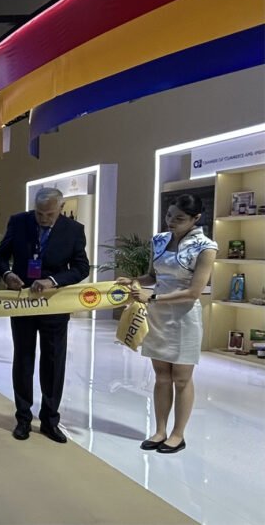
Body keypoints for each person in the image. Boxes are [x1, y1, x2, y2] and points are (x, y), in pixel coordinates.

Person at [116, 194, 217, 454]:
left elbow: (194, 292)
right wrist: (134, 281)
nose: (171, 221)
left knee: (182, 379)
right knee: (161, 376)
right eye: (169, 215)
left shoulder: (206, 247)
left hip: (184, 317)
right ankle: (160, 430)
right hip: (158, 314)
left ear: (195, 219)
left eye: (179, 218)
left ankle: (177, 434)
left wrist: (153, 297)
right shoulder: (159, 240)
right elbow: (153, 276)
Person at [0, 187, 90, 443]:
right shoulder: (18, 222)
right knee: (23, 359)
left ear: (60, 209)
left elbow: (81, 268)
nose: (44, 219)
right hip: (23, 303)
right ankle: (23, 418)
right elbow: (1, 256)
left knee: (53, 362)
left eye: (49, 214)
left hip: (54, 306)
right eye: (39, 213)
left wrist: (53, 281)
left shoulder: (74, 230)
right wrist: (7, 274)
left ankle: (50, 420)